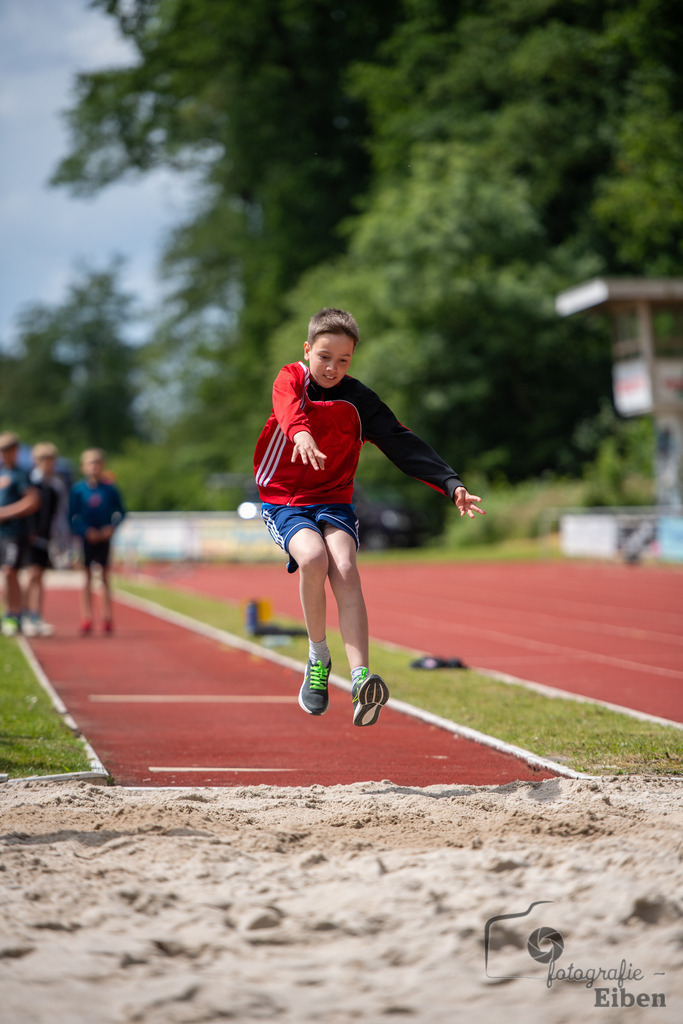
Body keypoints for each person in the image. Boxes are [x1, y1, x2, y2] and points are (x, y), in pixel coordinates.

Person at [254, 307, 485, 727]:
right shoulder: (290, 378)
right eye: (324, 357)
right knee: (312, 558)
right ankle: (318, 659)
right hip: (284, 498)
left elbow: (401, 442)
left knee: (344, 565)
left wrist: (451, 484)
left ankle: (361, 679)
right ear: (308, 351)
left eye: (343, 361)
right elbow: (289, 410)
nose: (332, 368)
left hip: (334, 499)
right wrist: (301, 434)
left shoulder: (359, 400)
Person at [69, 448, 126, 635]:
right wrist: (85, 531)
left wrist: (111, 527)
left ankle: (107, 618)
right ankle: (87, 617)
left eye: (97, 462)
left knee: (105, 577)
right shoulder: (78, 490)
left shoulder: (109, 489)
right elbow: (71, 516)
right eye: (90, 463)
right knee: (85, 577)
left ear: (102, 465)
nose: (94, 466)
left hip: (104, 537)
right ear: (83, 466)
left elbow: (122, 512)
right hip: (87, 538)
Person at [22, 442, 70, 637]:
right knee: (31, 574)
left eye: (50, 460)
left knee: (40, 575)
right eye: (43, 459)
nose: (47, 463)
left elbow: (59, 515)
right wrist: (28, 531)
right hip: (29, 535)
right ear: (36, 461)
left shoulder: (56, 486)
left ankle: (36, 615)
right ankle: (23, 614)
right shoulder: (30, 481)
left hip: (46, 536)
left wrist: (61, 539)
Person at [0, 432, 40, 637]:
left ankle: (13, 614)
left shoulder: (21, 474)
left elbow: (32, 501)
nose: (4, 454)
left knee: (10, 571)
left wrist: (6, 513)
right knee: (6, 573)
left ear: (15, 451)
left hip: (14, 532)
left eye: (7, 450)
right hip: (1, 533)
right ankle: (11, 613)